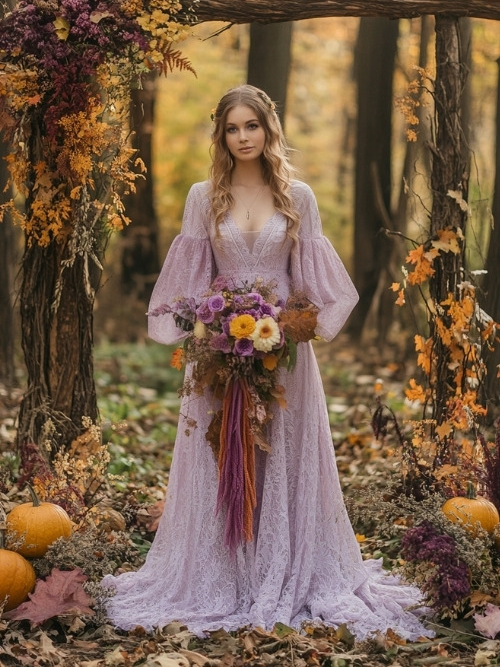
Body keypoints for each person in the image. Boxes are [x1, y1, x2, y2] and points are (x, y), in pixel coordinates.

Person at [103, 84, 432, 640]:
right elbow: (185, 285)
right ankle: (221, 573)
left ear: (269, 129)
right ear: (221, 135)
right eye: (232, 128)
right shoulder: (202, 196)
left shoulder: (297, 197)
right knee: (218, 455)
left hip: (283, 354)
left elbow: (315, 287)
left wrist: (288, 327)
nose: (242, 137)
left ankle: (287, 565)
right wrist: (205, 327)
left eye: (251, 126)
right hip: (218, 354)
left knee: (280, 455)